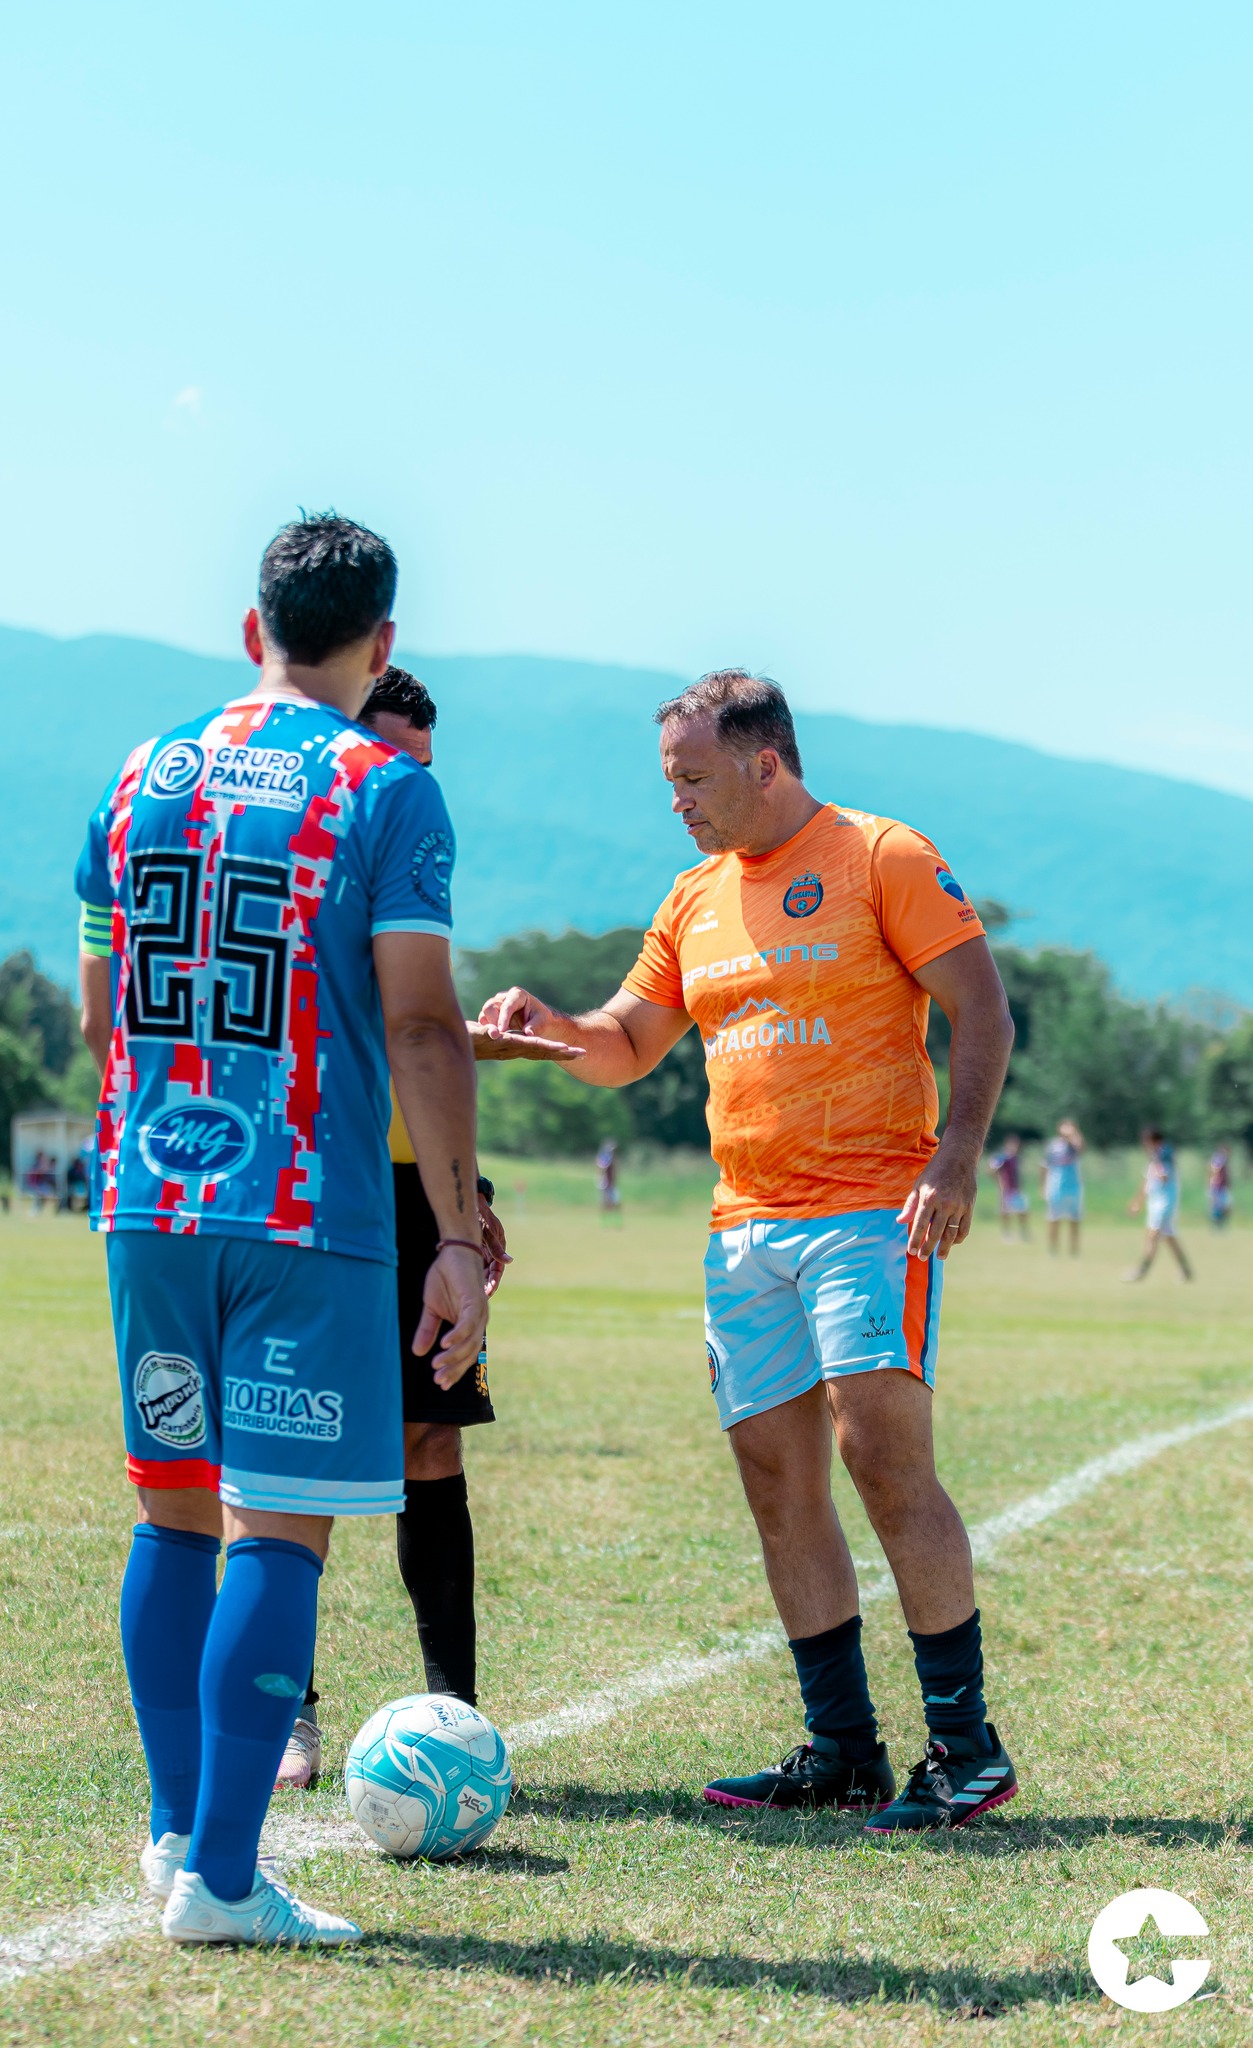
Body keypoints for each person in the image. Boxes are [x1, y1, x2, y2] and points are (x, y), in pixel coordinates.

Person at [482, 670, 1019, 1832]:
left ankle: (967, 1747)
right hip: (745, 1227)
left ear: (764, 763)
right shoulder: (693, 897)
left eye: (693, 776)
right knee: (779, 1480)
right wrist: (548, 1029)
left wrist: (958, 1154)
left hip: (873, 1210)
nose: (676, 799)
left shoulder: (882, 855)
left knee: (881, 1456)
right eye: (668, 779)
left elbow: (983, 1008)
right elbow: (627, 1041)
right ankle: (843, 1749)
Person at [75, 514, 488, 1948]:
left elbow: (100, 1013)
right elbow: (423, 1025)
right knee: (280, 1532)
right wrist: (458, 1235)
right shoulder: (387, 788)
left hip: (148, 1194)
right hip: (306, 1208)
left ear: (252, 629)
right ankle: (225, 1881)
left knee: (170, 1510)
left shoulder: (136, 776)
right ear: (383, 644)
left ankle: (176, 1833)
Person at [275, 666, 578, 1789]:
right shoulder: (293, 857)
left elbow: (419, 1038)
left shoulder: (408, 860)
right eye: (396, 758)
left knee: (431, 1441)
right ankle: (288, 1714)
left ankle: (455, 1715)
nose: (411, 783)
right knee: (293, 1452)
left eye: (423, 766)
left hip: (413, 1195)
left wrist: (464, 1194)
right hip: (310, 1188)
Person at [1126, 1128, 1194, 1281]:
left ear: (1153, 1140)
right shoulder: (1154, 1157)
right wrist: (1137, 1201)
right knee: (1169, 1237)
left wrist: (1159, 1168)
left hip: (1165, 1202)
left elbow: (1164, 1176)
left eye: (1146, 1142)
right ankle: (1186, 1270)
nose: (1144, 1145)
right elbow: (1147, 1182)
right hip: (1155, 1202)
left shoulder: (1165, 1155)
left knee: (1152, 1235)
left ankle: (1142, 1271)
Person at [1041, 1119, 1084, 1255]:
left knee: (1074, 1219)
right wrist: (1043, 1186)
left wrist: (1074, 1133)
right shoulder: (1053, 1145)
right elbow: (1044, 1166)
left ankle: (1074, 1249)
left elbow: (1081, 1147)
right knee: (1054, 1218)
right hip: (1055, 1186)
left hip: (1073, 1186)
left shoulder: (1074, 1144)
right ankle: (1053, 1249)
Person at [987, 1134, 1029, 1241]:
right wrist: (998, 1182)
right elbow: (991, 1170)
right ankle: (1006, 1234)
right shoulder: (1003, 1158)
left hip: (1017, 1189)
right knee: (1006, 1213)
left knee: (1023, 1211)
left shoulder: (1017, 1158)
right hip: (1006, 1189)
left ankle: (1023, 1233)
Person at [596, 1137, 623, 1221]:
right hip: (606, 1183)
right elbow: (602, 1169)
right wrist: (603, 1182)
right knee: (606, 1203)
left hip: (612, 1183)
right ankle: (605, 1220)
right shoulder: (605, 1158)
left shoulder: (612, 1158)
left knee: (616, 1202)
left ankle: (614, 1220)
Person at [1208, 1146, 1232, 1228]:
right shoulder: (1220, 1159)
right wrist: (1216, 1179)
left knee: (1222, 1206)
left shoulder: (1220, 1159)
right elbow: (1215, 1169)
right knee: (1218, 1206)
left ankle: (1219, 1223)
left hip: (1221, 1186)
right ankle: (1217, 1224)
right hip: (1217, 1186)